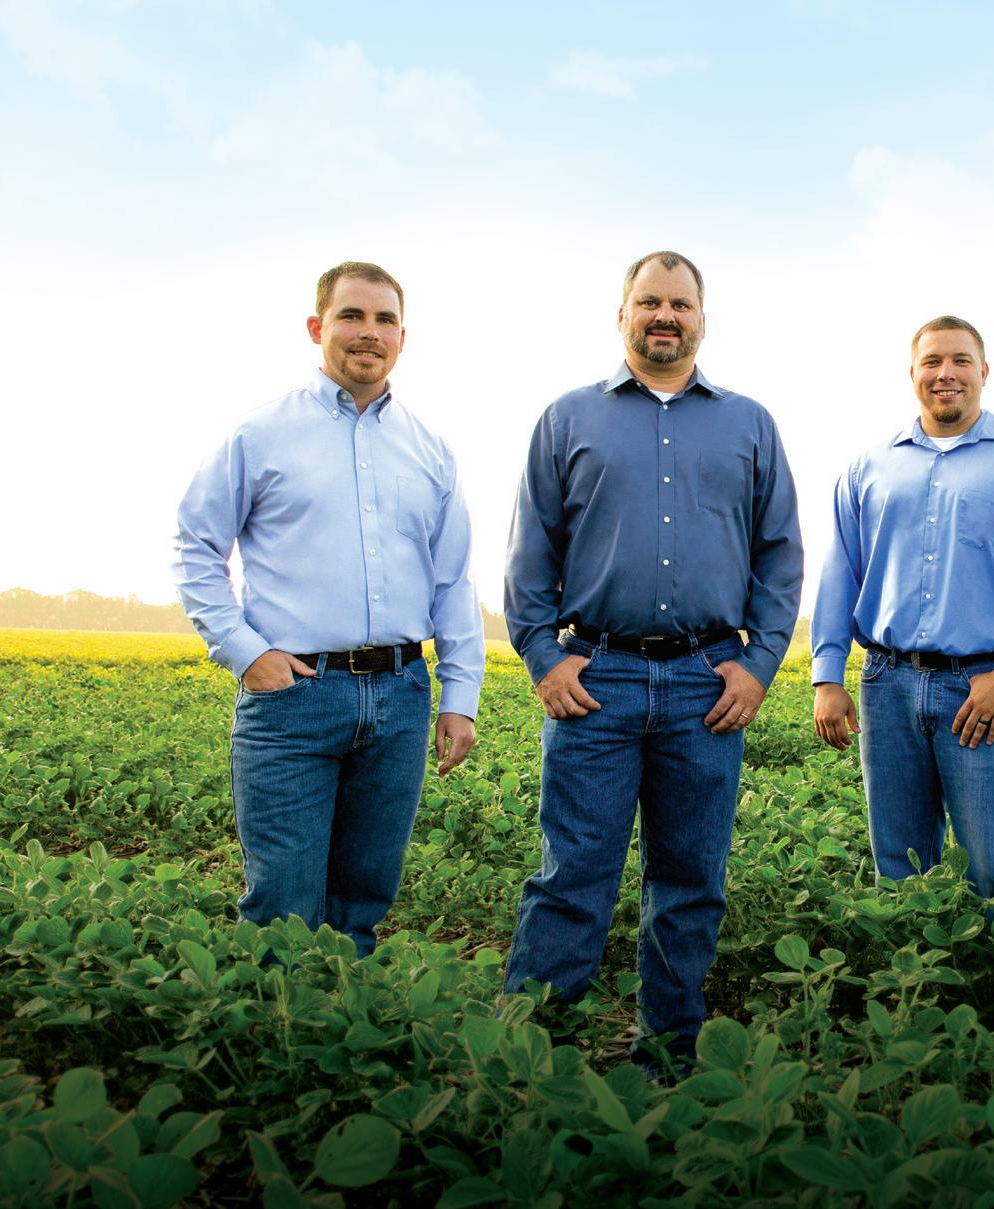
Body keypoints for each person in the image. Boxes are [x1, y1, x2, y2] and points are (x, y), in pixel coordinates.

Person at [502, 250, 803, 1071]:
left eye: (678, 303)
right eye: (648, 302)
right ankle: (528, 1057)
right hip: (596, 678)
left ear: (701, 318)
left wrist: (759, 663)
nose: (663, 315)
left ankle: (667, 1058)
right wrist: (542, 656)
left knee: (689, 878)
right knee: (571, 874)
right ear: (622, 315)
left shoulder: (749, 424)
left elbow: (779, 556)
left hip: (708, 682)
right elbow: (529, 556)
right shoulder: (567, 419)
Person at [173, 260, 484, 954]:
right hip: (294, 698)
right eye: (351, 316)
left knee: (361, 904)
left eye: (384, 319)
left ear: (402, 337)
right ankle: (279, 1020)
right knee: (282, 907)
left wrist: (460, 697)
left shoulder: (430, 450)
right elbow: (196, 545)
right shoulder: (260, 435)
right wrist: (246, 653)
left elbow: (452, 581)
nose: (368, 332)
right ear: (317, 328)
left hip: (401, 695)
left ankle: (345, 1014)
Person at [810, 316, 994, 911]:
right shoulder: (868, 468)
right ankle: (915, 969)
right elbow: (839, 572)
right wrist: (827, 675)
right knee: (899, 866)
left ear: (984, 372)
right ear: (912, 373)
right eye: (932, 361)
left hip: (982, 686)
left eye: (960, 360)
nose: (945, 374)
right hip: (887, 683)